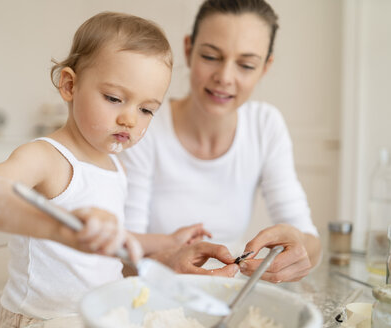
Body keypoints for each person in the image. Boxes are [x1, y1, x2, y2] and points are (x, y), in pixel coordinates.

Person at [0, 11, 192, 327]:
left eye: (146, 109)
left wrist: (166, 242)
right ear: (69, 85)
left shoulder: (115, 169)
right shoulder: (47, 157)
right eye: (114, 98)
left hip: (98, 316)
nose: (130, 119)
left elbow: (110, 238)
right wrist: (61, 231)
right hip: (44, 319)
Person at [120, 0, 322, 283]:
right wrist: (164, 263)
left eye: (246, 65)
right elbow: (120, 254)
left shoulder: (265, 126)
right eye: (211, 57)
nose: (225, 77)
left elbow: (310, 243)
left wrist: (299, 247)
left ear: (265, 67)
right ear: (189, 51)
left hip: (229, 293)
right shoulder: (145, 125)